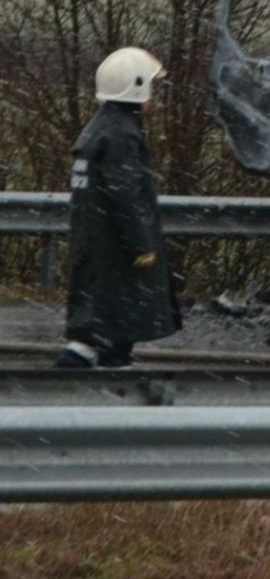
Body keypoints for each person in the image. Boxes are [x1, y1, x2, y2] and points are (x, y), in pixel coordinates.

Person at [54, 47, 181, 369]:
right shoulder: (122, 134)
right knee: (117, 326)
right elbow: (126, 194)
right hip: (116, 246)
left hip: (97, 241)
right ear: (137, 87)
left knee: (93, 324)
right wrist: (142, 245)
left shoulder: (101, 127)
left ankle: (75, 380)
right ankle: (109, 395)